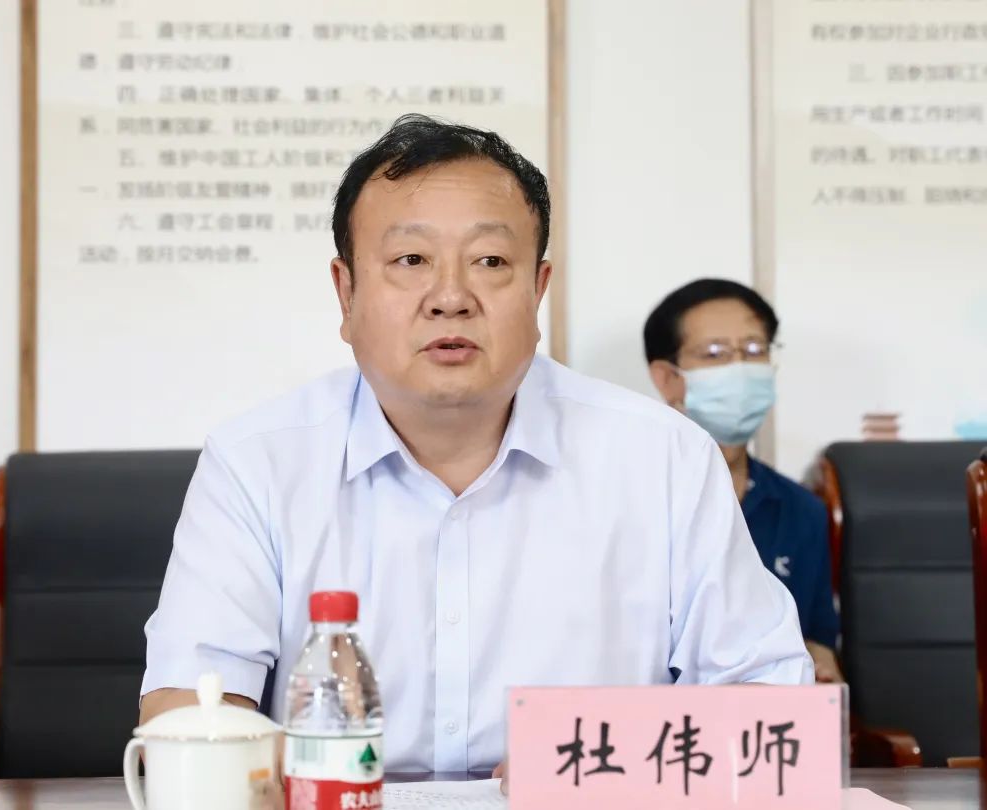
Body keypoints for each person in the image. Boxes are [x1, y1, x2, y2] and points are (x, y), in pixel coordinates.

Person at [140, 115, 813, 774]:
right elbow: (189, 709)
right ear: (346, 293)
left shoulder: (663, 457)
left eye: (490, 261)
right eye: (411, 260)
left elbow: (773, 707)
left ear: (538, 290)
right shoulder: (257, 462)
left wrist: (585, 763)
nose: (450, 297)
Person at [644, 279, 842, 683]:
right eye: (715, 353)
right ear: (667, 378)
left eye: (754, 350)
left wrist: (823, 671)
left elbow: (817, 639)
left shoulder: (801, 510)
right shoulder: (623, 496)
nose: (740, 369)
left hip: (760, 718)